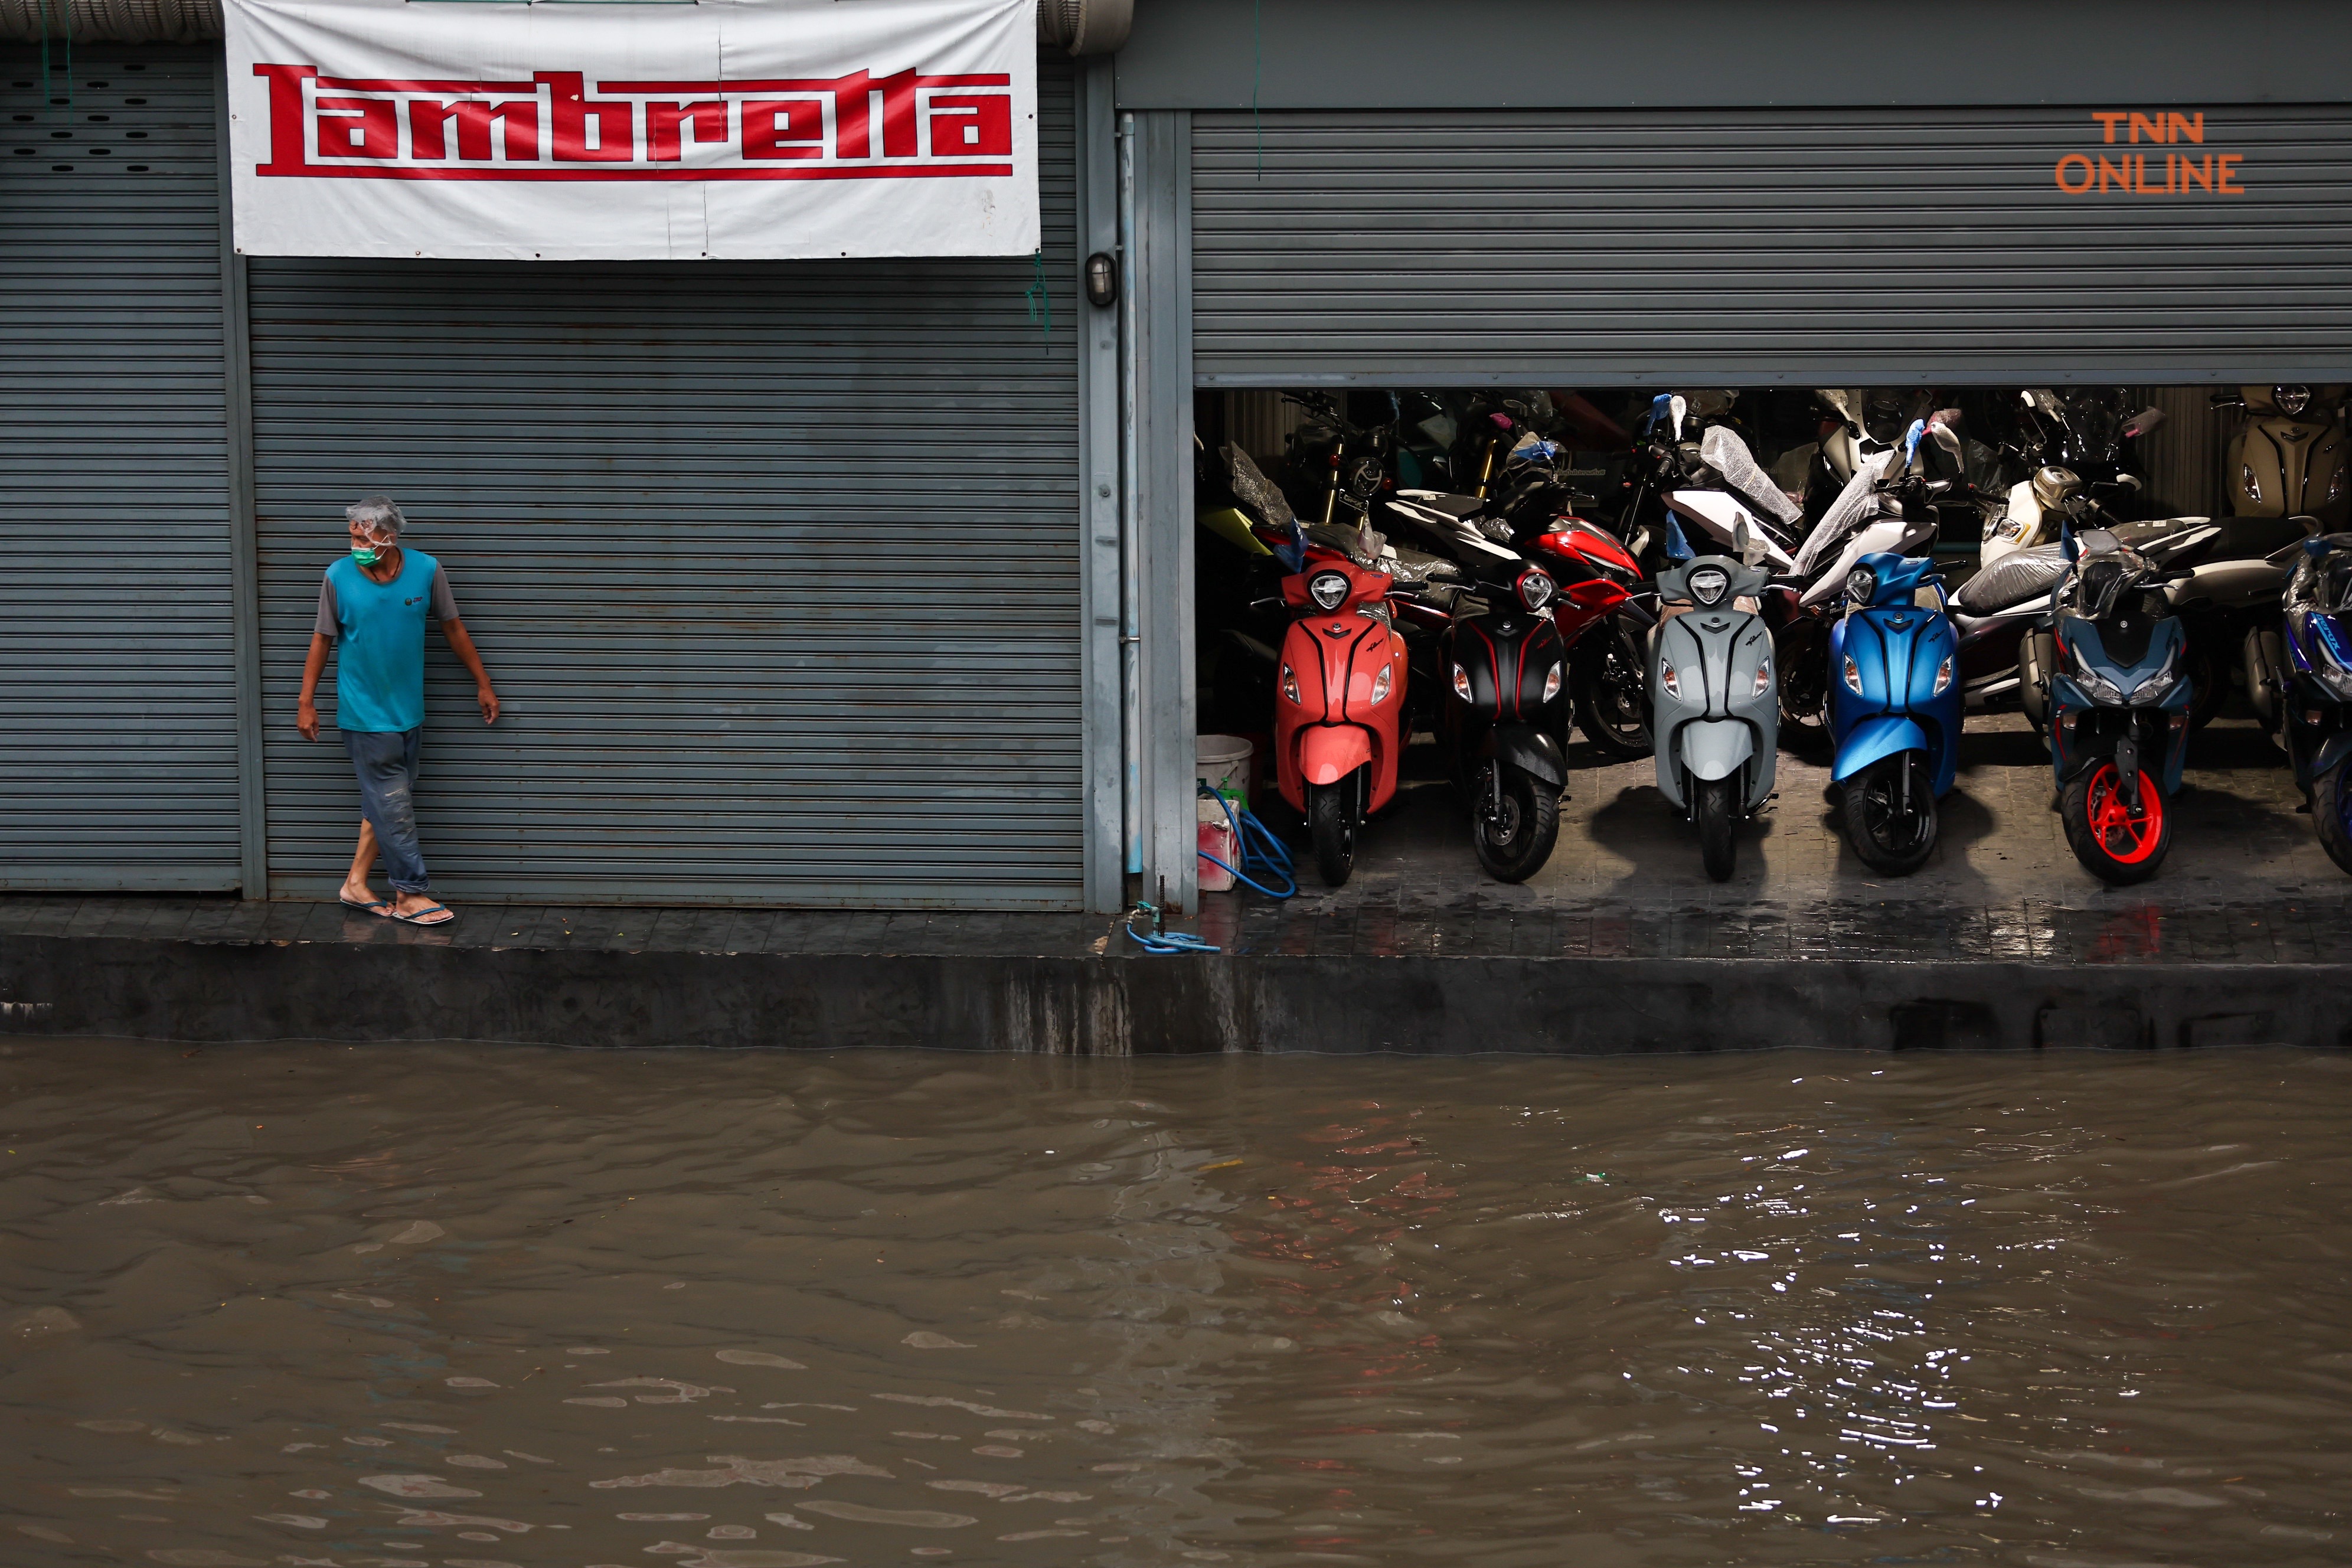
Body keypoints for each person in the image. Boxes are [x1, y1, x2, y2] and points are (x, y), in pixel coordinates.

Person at [296, 496, 499, 925]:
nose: (356, 545)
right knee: (395, 805)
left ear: (389, 536)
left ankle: (355, 884)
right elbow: (321, 639)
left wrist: (483, 683)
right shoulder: (338, 577)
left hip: (409, 712)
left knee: (385, 803)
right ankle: (409, 893)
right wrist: (306, 702)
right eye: (351, 535)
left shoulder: (427, 571)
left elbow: (453, 627)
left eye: (363, 536)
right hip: (365, 716)